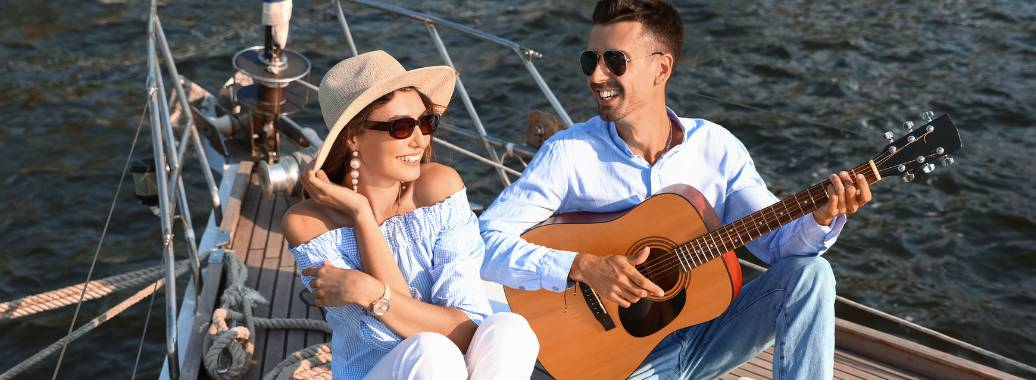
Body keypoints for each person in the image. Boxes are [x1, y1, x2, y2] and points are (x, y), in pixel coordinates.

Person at [479, 1, 873, 378]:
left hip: (706, 337)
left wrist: (821, 218)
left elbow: (778, 247)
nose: (596, 76)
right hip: (617, 360)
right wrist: (583, 266)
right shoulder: (570, 153)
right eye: (590, 60)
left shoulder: (715, 148)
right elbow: (485, 242)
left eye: (614, 61)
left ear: (661, 68)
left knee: (811, 274)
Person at [282, 50, 538, 380]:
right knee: (432, 351)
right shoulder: (309, 224)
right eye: (401, 127)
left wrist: (370, 291)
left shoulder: (439, 190)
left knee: (510, 328)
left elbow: (468, 327)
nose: (420, 140)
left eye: (426, 122)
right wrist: (362, 215)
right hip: (381, 371)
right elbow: (394, 339)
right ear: (353, 138)